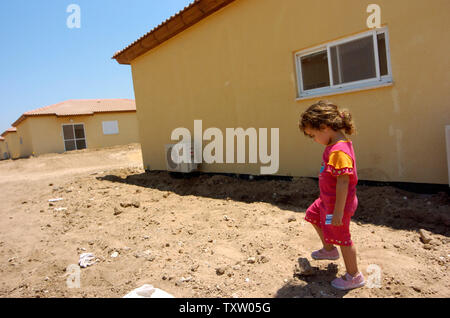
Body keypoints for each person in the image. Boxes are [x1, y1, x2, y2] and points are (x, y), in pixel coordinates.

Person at [298, 100, 365, 291]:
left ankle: (354, 276)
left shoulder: (339, 151)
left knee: (343, 239)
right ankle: (329, 250)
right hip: (327, 201)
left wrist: (338, 212)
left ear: (325, 127)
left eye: (313, 135)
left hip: (338, 205)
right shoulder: (335, 146)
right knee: (313, 214)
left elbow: (344, 182)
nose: (314, 140)